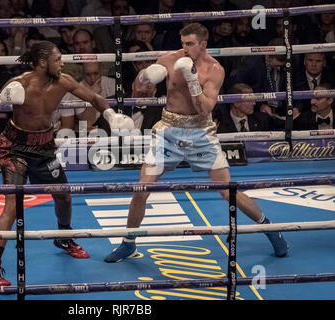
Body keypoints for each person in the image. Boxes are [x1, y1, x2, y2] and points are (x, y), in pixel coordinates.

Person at [104, 23, 288, 263]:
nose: (184, 48)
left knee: (227, 191)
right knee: (142, 188)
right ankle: (128, 243)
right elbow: (138, 93)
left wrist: (191, 80)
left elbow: (205, 109)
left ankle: (271, 229)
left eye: (190, 44)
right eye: (182, 43)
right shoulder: (168, 60)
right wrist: (144, 78)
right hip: (168, 131)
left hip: (200, 132)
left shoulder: (215, 70)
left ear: (203, 44)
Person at [0, 40, 134, 286]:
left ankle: (63, 237)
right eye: (57, 59)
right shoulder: (19, 84)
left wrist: (110, 115)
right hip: (15, 147)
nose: (62, 63)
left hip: (45, 147)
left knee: (64, 196)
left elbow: (94, 97)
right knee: (12, 205)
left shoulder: (63, 81)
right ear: (43, 62)